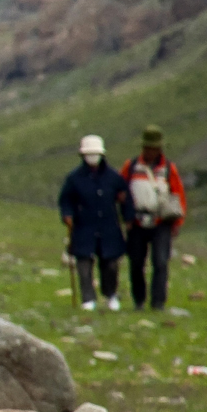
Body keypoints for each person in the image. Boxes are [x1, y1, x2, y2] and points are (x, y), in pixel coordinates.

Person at [58, 133, 132, 311]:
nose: (92, 157)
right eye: (89, 154)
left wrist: (128, 217)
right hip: (84, 226)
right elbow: (65, 200)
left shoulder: (113, 177)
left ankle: (110, 294)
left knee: (111, 264)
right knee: (83, 263)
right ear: (83, 156)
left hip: (108, 227)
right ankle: (88, 298)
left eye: (95, 154)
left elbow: (125, 198)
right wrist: (67, 215)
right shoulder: (74, 178)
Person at [120, 124, 186, 310]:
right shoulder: (131, 166)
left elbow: (178, 194)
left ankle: (158, 302)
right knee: (136, 263)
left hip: (161, 222)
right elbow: (121, 189)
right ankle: (138, 300)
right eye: (147, 148)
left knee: (160, 262)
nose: (149, 151)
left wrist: (177, 222)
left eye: (153, 148)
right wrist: (126, 214)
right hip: (137, 222)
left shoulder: (168, 169)